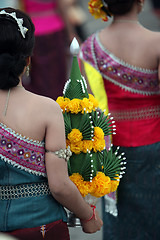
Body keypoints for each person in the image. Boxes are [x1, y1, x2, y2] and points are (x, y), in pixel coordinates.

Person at [0, 7, 103, 240]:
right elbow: (59, 185)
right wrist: (88, 217)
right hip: (40, 227)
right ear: (28, 58)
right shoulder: (47, 109)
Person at [79, 0, 160, 239]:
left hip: (111, 149)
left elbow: (94, 103)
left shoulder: (90, 48)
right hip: (154, 144)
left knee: (120, 220)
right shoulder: (157, 43)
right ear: (140, 2)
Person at [20, 0, 76, 100]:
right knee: (58, 74)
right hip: (55, 30)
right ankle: (60, 104)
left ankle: (44, 105)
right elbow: (62, 7)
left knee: (40, 76)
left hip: (33, 32)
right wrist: (71, 33)